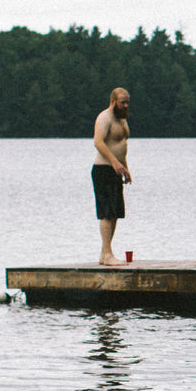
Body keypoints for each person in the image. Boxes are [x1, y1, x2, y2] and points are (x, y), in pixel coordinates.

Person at [91, 87, 132, 266]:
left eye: (127, 102)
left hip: (116, 169)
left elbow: (121, 145)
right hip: (104, 169)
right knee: (106, 213)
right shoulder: (104, 118)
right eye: (122, 102)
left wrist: (125, 168)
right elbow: (98, 142)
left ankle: (104, 253)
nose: (125, 105)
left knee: (115, 213)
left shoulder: (122, 120)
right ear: (113, 101)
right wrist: (114, 162)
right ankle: (107, 254)